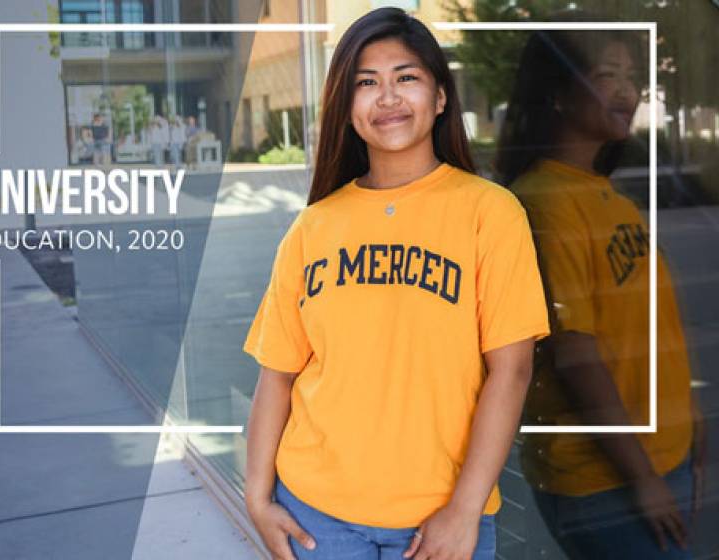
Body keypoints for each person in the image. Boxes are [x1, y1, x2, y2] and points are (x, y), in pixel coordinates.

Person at [243, 8, 551, 560]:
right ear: (347, 109)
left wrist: (464, 508)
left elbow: (513, 369)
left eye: (405, 77)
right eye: (367, 83)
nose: (387, 97)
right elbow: (278, 377)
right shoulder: (314, 226)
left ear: (438, 98)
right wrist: (256, 499)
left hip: (445, 518)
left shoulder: (490, 212)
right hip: (316, 516)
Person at [496, 23, 706, 560]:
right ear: (559, 95)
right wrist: (643, 479)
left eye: (632, 77)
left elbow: (647, 326)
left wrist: (690, 424)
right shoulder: (544, 203)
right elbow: (576, 355)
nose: (627, 91)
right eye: (606, 75)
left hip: (660, 457)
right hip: (603, 480)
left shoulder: (604, 194)